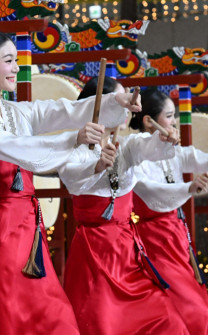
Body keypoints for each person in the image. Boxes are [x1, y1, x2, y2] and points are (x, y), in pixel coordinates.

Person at [0, 30, 140, 335]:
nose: (15, 68)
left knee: (51, 318)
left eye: (16, 61)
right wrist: (72, 139)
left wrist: (116, 101)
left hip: (28, 229)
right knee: (4, 317)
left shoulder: (14, 112)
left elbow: (63, 110)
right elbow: (15, 148)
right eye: (8, 61)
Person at [58, 77, 189, 335]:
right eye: (121, 101)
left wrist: (162, 141)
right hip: (95, 251)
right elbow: (72, 177)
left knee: (165, 319)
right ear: (99, 106)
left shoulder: (125, 145)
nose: (129, 107)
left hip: (128, 250)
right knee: (102, 323)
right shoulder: (77, 147)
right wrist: (96, 166)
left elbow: (144, 146)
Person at [131, 88, 208, 335]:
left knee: (194, 301)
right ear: (148, 121)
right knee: (190, 306)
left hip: (174, 234)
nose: (174, 122)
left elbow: (193, 157)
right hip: (156, 238)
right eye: (169, 115)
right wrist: (189, 186)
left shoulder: (169, 149)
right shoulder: (134, 150)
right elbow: (150, 191)